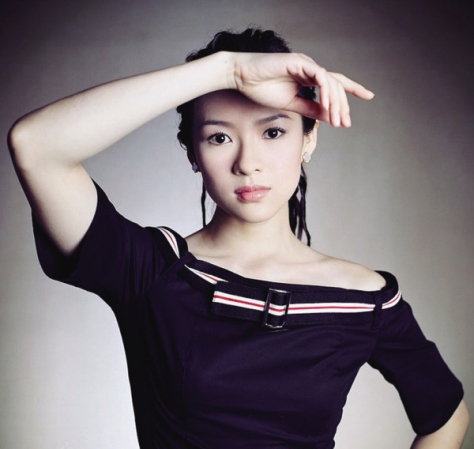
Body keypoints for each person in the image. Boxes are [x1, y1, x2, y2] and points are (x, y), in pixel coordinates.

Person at [8, 28, 469, 448]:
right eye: (218, 138)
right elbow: (36, 145)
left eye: (273, 131)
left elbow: (448, 418)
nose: (248, 163)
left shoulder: (365, 300)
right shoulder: (152, 271)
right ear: (192, 152)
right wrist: (226, 70)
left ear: (309, 139)